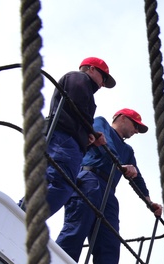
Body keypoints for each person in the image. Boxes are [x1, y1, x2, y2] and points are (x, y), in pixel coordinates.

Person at [56, 108, 162, 264]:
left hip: (108, 191)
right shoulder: (101, 122)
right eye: (135, 125)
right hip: (89, 179)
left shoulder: (128, 151)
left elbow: (137, 177)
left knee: (110, 240)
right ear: (121, 118)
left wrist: (149, 202)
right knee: (76, 229)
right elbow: (103, 142)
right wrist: (120, 165)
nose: (136, 131)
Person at [34, 57, 115, 216]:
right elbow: (76, 104)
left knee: (54, 183)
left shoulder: (83, 85)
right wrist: (90, 131)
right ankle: (25, 216)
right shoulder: (78, 78)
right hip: (63, 139)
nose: (103, 83)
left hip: (68, 142)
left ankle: (19, 215)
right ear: (91, 69)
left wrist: (88, 137)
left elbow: (75, 111)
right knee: (60, 184)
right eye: (103, 77)